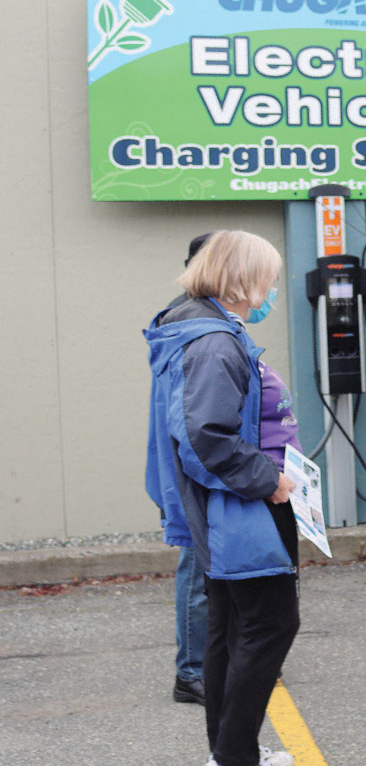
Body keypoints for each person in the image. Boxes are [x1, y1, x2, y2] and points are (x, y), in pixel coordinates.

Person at [144, 230, 301, 766]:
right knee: (268, 623)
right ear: (241, 280)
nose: (271, 292)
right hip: (240, 505)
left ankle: (232, 753)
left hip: (226, 504)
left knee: (230, 628)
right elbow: (206, 438)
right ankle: (233, 765)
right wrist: (270, 479)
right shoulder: (213, 342)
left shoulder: (194, 327)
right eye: (269, 280)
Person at [161, 233, 211, 707]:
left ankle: (206, 663)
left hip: (197, 471)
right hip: (200, 475)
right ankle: (193, 672)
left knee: (209, 569)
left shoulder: (195, 318)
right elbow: (201, 425)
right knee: (199, 570)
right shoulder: (198, 327)